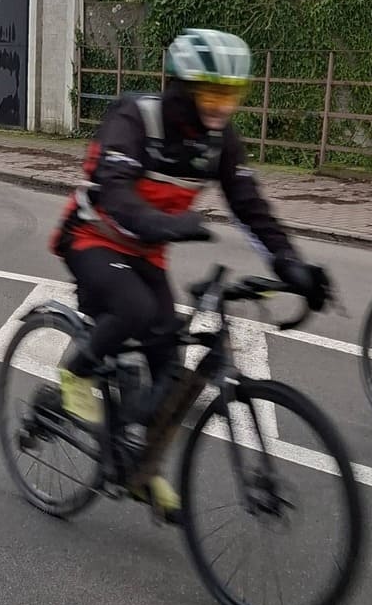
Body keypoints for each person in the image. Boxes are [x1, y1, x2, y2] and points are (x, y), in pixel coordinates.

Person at [51, 28, 330, 513]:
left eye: (232, 95)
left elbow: (251, 208)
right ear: (182, 86)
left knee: (170, 371)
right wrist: (170, 224)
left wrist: (291, 264)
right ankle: (76, 374)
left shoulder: (220, 142)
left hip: (147, 253)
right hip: (92, 237)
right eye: (211, 93)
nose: (222, 107)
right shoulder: (136, 118)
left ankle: (141, 470)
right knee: (134, 310)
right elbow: (115, 193)